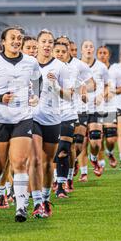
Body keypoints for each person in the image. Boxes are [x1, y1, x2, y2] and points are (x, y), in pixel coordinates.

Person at [0, 26, 41, 222]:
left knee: (19, 162)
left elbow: (37, 81)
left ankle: (21, 206)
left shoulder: (31, 62)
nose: (16, 40)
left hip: (23, 117)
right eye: (12, 38)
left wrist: (35, 97)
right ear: (3, 42)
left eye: (19, 38)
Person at [29, 30, 72, 217]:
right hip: (31, 117)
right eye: (43, 41)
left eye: (50, 42)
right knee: (35, 159)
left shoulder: (60, 67)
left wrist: (56, 88)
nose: (47, 45)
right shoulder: (28, 64)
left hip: (53, 118)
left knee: (47, 163)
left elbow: (70, 94)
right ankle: (37, 201)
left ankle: (46, 199)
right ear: (37, 44)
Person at [54, 35, 94, 192]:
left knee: (75, 146)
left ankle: (67, 176)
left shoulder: (78, 66)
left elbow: (90, 83)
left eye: (65, 48)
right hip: (52, 112)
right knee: (59, 148)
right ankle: (59, 179)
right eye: (58, 49)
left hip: (76, 109)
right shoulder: (47, 66)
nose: (61, 52)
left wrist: (84, 92)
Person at [79, 40, 109, 180]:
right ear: (81, 50)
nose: (89, 49)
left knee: (96, 142)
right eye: (86, 46)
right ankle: (84, 172)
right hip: (80, 108)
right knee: (81, 142)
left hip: (97, 108)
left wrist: (102, 95)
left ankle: (94, 156)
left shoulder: (102, 67)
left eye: (91, 46)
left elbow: (109, 85)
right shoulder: (75, 66)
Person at [96, 46, 120, 168]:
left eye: (104, 53)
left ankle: (109, 152)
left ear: (109, 55)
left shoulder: (114, 69)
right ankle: (100, 163)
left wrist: (113, 91)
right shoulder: (93, 69)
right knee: (99, 137)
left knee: (111, 139)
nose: (102, 55)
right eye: (100, 53)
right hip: (97, 107)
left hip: (110, 107)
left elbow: (120, 87)